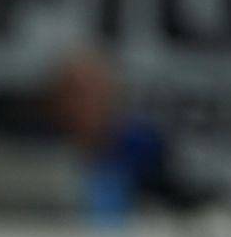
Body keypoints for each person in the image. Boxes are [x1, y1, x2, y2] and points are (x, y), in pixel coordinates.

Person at [45, 48, 198, 224]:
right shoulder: (44, 146)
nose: (87, 105)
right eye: (75, 95)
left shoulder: (141, 144)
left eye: (97, 93)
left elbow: (172, 202)